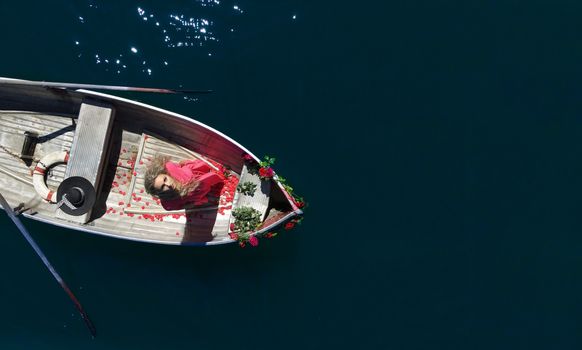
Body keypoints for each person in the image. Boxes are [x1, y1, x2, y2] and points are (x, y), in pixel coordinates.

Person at [144, 155, 224, 210]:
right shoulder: (168, 203)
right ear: (160, 193)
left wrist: (183, 163)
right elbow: (183, 206)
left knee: (209, 171)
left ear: (166, 174)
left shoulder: (170, 166)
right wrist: (194, 203)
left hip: (196, 174)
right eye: (162, 187)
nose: (168, 184)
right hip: (198, 191)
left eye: (165, 179)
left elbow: (179, 164)